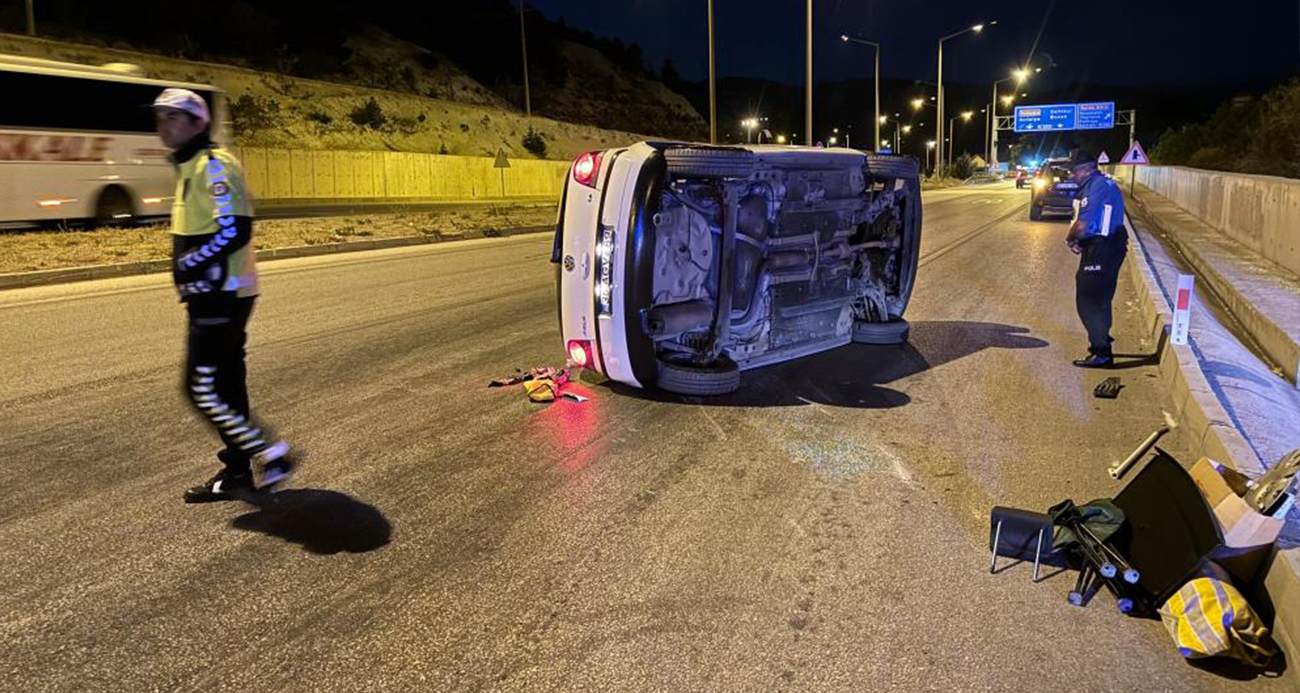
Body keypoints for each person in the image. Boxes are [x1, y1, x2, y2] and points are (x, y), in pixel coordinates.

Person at [152, 88, 296, 503]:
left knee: (202, 388)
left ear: (198, 122)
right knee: (227, 384)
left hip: (222, 294)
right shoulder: (191, 166)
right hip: (212, 293)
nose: (163, 125)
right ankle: (237, 472)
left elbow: (235, 229)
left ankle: (271, 453)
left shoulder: (213, 165)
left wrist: (190, 264)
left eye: (173, 116)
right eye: (159, 117)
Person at [1064, 147, 1128, 368]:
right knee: (1100, 299)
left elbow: (1083, 223)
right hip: (1108, 245)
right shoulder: (1105, 183)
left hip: (1103, 248)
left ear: (1086, 169)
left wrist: (1070, 239)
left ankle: (1101, 352)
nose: (1072, 175)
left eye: (1074, 171)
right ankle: (1102, 343)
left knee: (1088, 300)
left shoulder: (1096, 186)